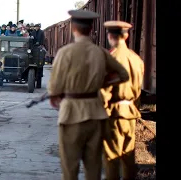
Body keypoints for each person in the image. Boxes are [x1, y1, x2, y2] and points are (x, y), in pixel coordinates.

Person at [47, 9, 129, 180]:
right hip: (96, 113)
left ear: (73, 28)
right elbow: (123, 75)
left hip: (71, 114)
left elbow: (54, 90)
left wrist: (58, 96)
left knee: (70, 169)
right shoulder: (100, 52)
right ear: (92, 29)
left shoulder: (65, 53)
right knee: (93, 168)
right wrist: (103, 83)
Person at [101, 21, 144, 180]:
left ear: (110, 36)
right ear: (126, 36)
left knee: (111, 157)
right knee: (128, 157)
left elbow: (104, 91)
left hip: (114, 115)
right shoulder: (136, 59)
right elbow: (138, 90)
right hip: (131, 113)